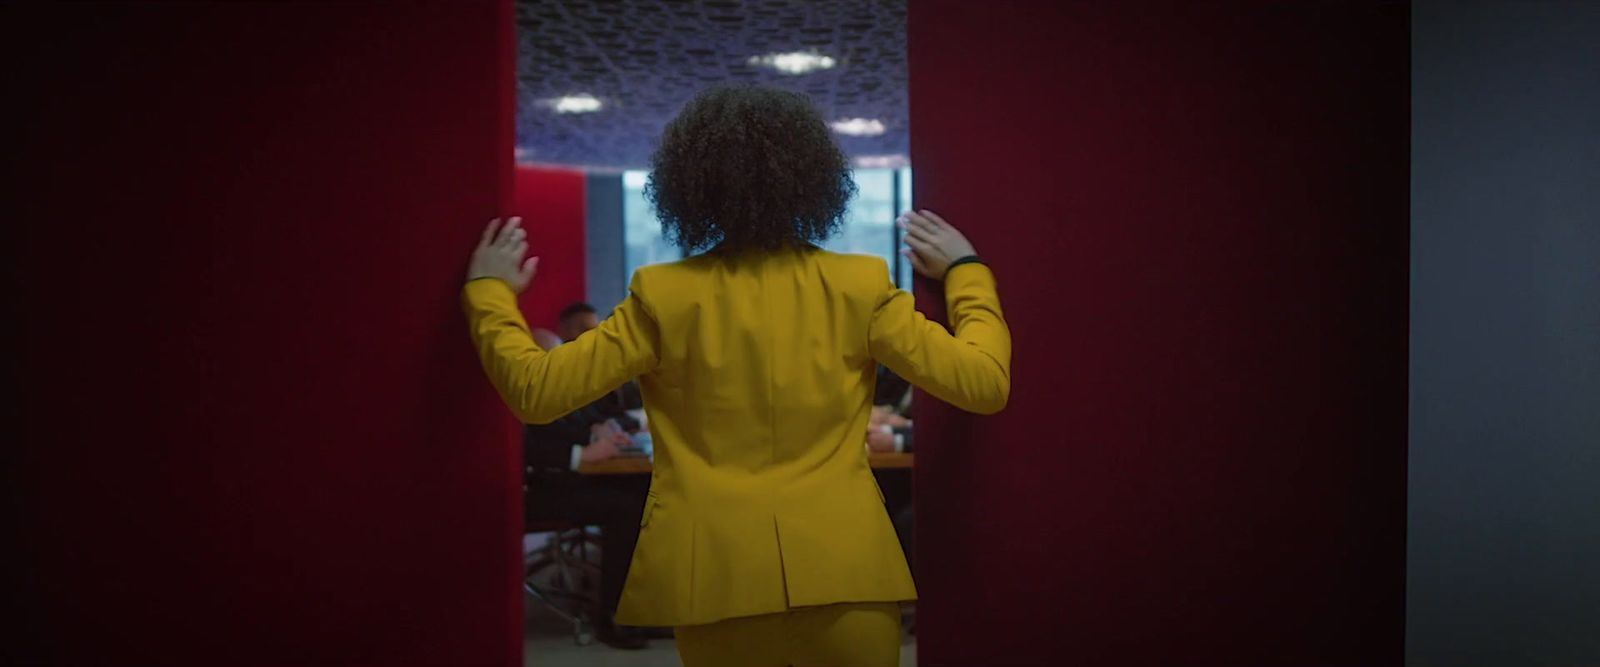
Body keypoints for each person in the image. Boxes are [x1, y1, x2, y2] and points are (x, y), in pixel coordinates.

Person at [463, 86, 1010, 667]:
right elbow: (983, 381)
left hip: (716, 581)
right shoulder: (861, 284)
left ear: (689, 186)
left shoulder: (664, 294)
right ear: (815, 179)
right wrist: (966, 273)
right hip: (848, 570)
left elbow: (536, 392)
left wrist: (490, 293)